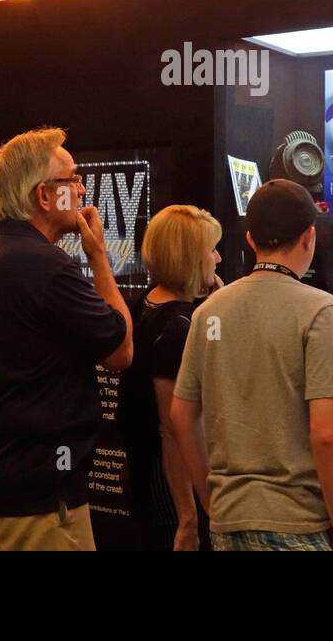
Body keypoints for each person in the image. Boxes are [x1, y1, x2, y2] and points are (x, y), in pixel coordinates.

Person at [0, 126, 132, 551]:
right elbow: (121, 351)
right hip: (42, 493)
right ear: (43, 196)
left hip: (10, 477)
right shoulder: (47, 267)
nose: (80, 190)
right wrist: (98, 256)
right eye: (71, 180)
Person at [170, 179, 333, 551]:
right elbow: (327, 434)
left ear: (251, 240)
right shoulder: (321, 310)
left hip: (227, 521)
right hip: (297, 523)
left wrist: (212, 502)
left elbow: (180, 415)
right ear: (309, 237)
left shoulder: (209, 310)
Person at [119, 204, 222, 551]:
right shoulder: (180, 329)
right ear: (190, 257)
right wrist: (189, 518)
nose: (218, 258)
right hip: (174, 493)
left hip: (148, 481)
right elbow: (174, 428)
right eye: (211, 249)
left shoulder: (142, 307)